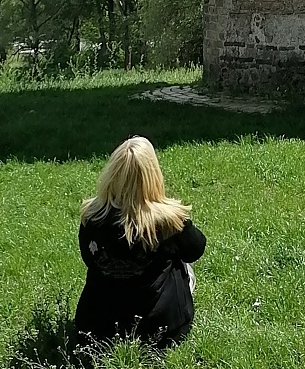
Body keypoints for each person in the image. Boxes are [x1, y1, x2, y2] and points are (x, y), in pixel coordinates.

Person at [75, 136, 206, 350]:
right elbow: (195, 249)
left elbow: (89, 259)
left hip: (96, 329)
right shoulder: (168, 220)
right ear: (152, 175)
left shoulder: (92, 216)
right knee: (183, 263)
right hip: (161, 329)